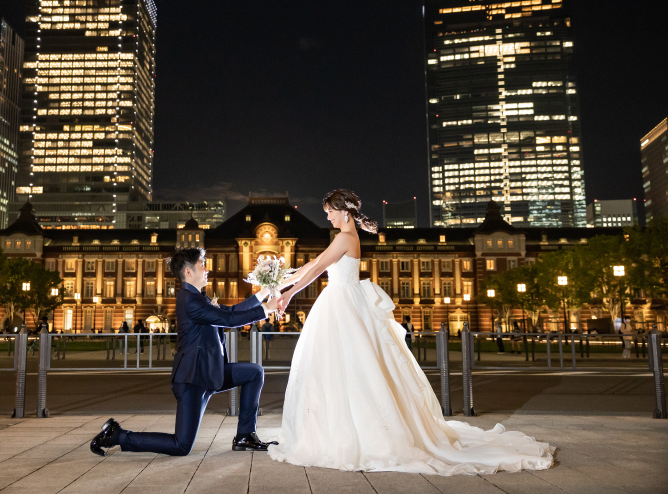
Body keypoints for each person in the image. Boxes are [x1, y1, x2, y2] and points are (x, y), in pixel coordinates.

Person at [269, 189, 553, 474]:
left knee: (339, 366)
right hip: (342, 302)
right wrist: (278, 281)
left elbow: (318, 267)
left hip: (340, 303)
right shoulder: (345, 237)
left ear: (345, 211)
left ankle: (342, 433)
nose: (327, 216)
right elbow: (312, 265)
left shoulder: (344, 237)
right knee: (352, 367)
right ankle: (346, 428)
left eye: (330, 210)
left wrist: (289, 293)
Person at [90, 247, 280, 457]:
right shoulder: (190, 300)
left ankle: (245, 436)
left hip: (209, 372)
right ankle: (117, 435)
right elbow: (229, 320)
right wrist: (265, 310)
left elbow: (232, 311)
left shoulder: (200, 298)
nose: (207, 269)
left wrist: (263, 294)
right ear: (189, 272)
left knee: (254, 372)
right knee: (181, 445)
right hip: (192, 379)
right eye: (202, 264)